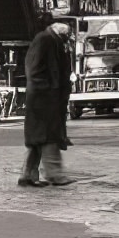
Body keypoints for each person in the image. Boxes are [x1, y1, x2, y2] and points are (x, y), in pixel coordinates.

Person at [19, 14, 75, 187]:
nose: (67, 40)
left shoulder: (51, 40)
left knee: (38, 139)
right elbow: (34, 69)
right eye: (67, 37)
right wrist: (48, 90)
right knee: (49, 137)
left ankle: (28, 175)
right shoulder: (46, 40)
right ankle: (55, 175)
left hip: (45, 98)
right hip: (44, 100)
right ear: (61, 33)